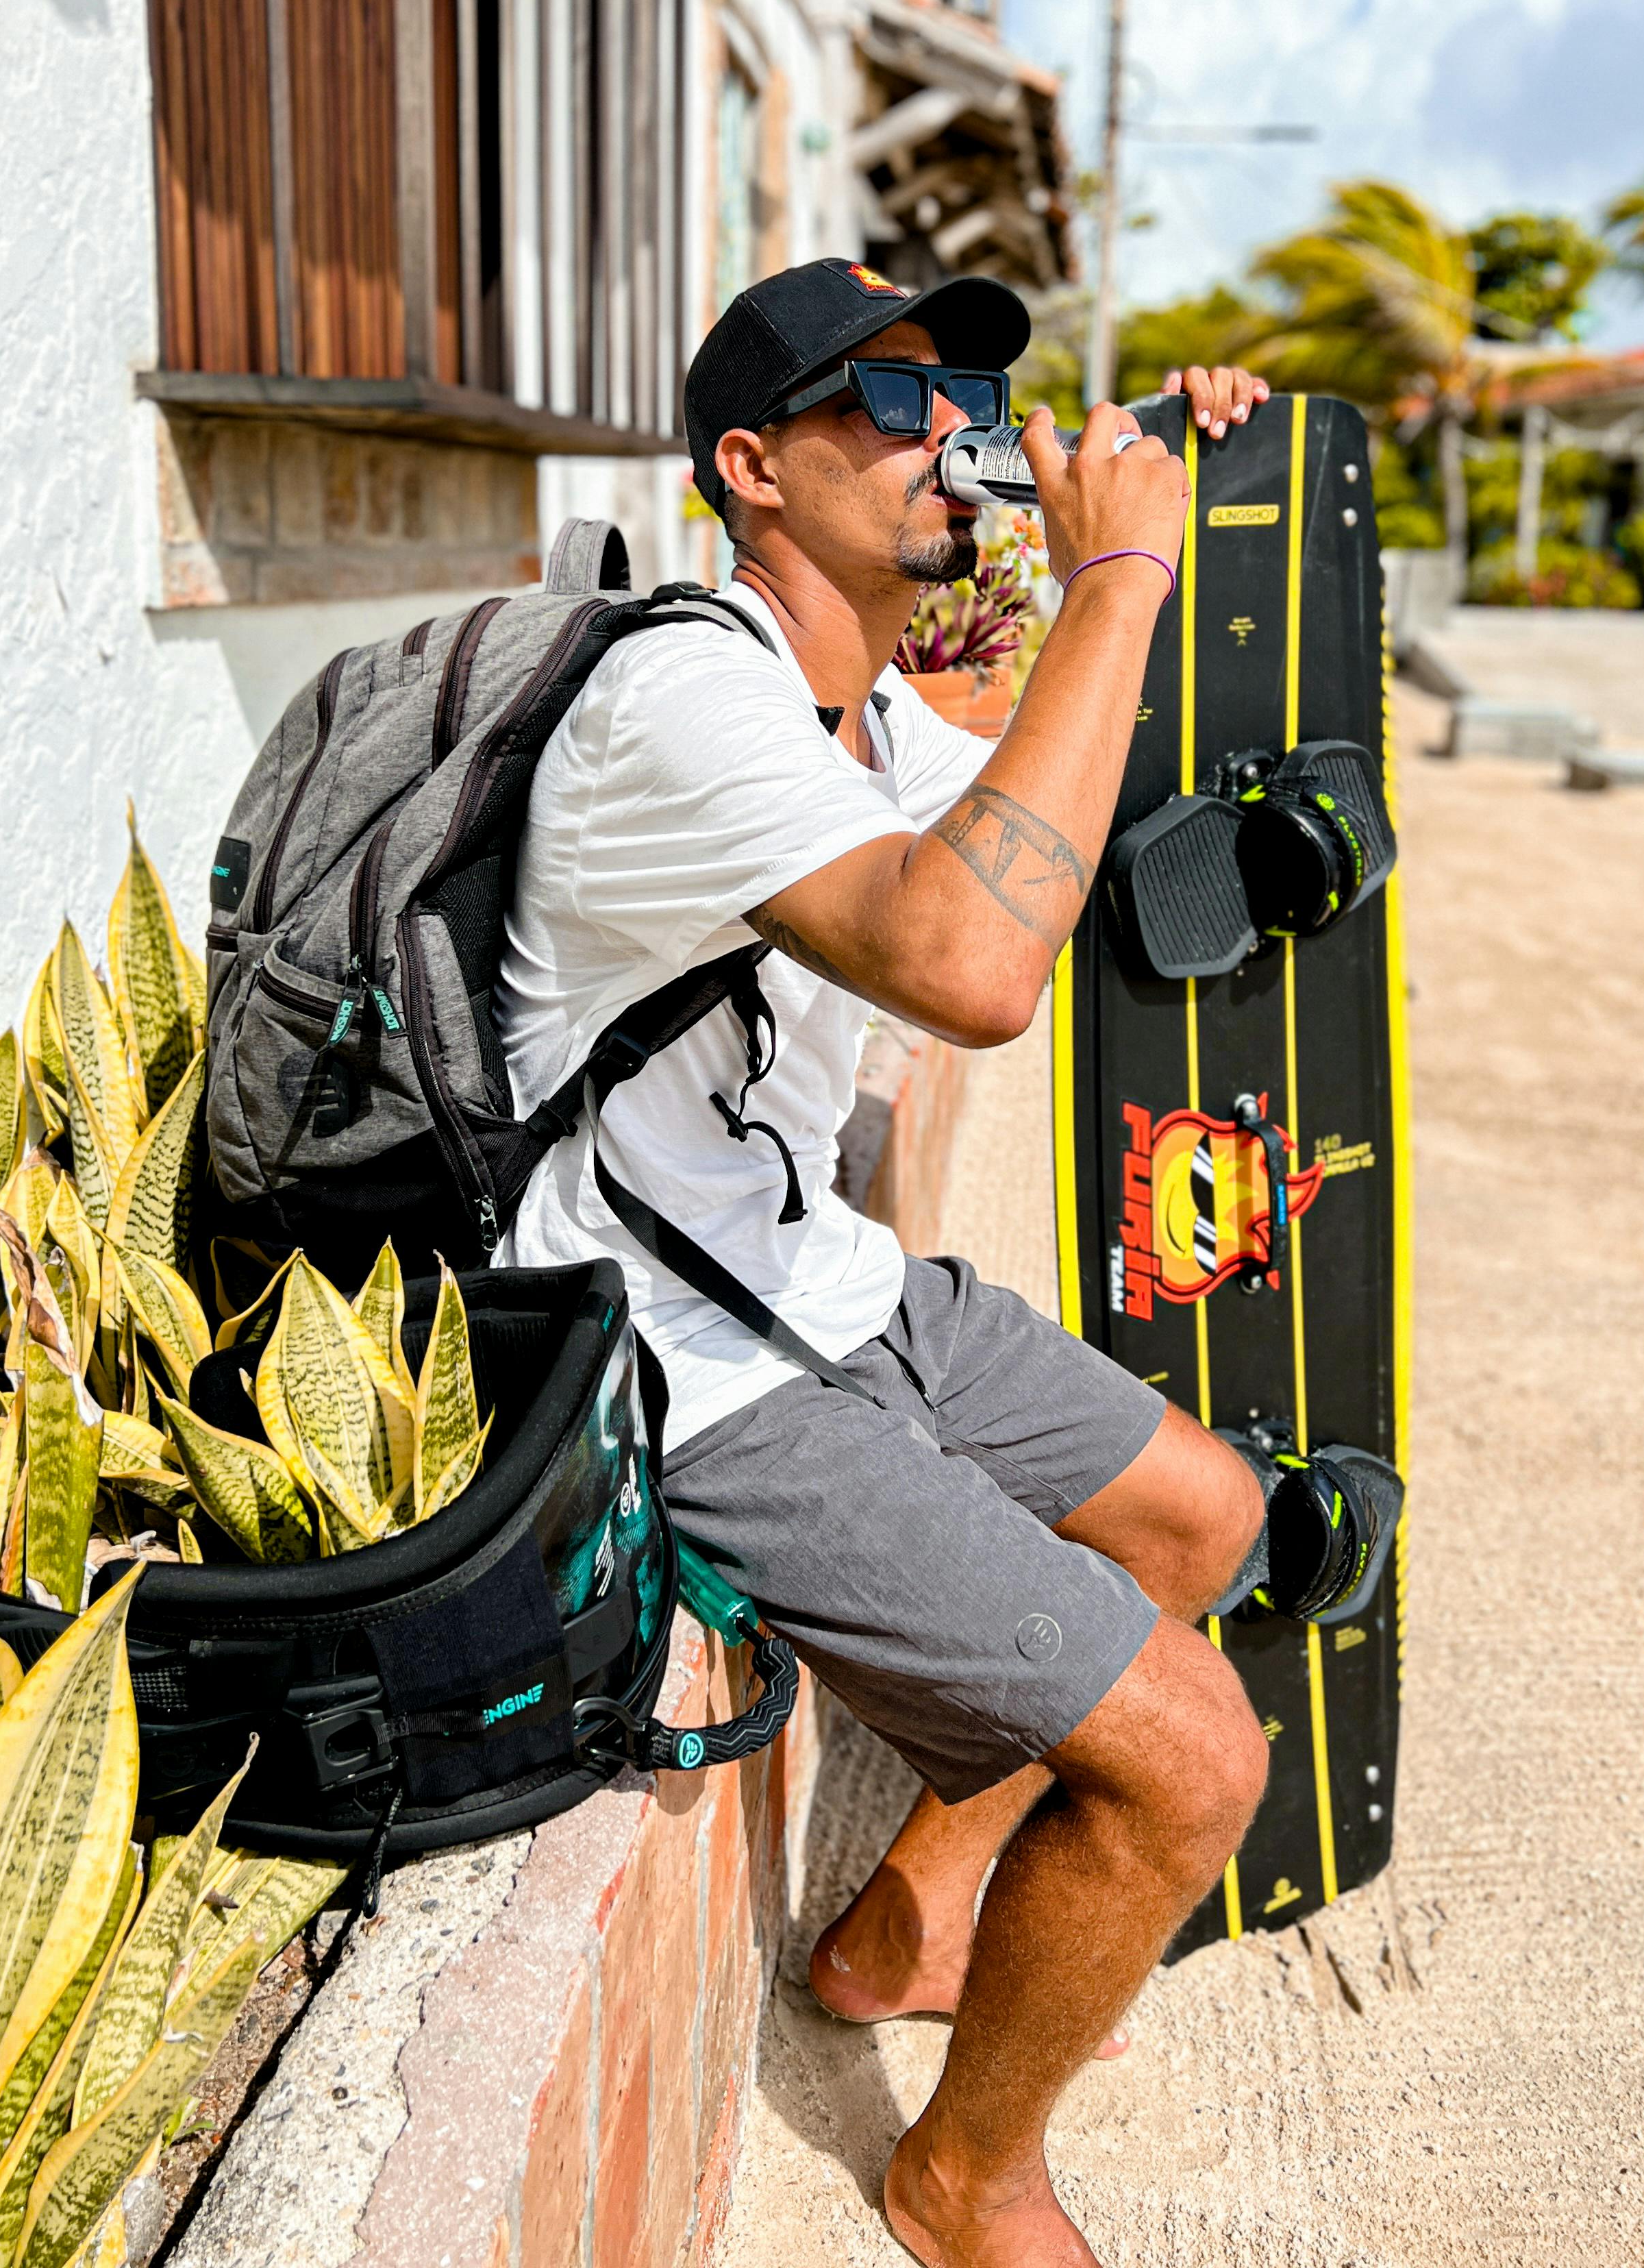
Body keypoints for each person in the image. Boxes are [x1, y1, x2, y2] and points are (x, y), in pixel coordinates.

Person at [494, 256, 1273, 2268]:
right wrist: (1108, 581)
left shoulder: (857, 719)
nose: (958, 437)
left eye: (967, 399)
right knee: (1195, 1761)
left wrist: (1199, 517)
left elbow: (1049, 838)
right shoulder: (683, 694)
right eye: (895, 398)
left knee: (1200, 1516)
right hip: (675, 1356)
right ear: (754, 466)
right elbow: (971, 963)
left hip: (813, 1280)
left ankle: (908, 1926)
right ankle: (962, 2177)